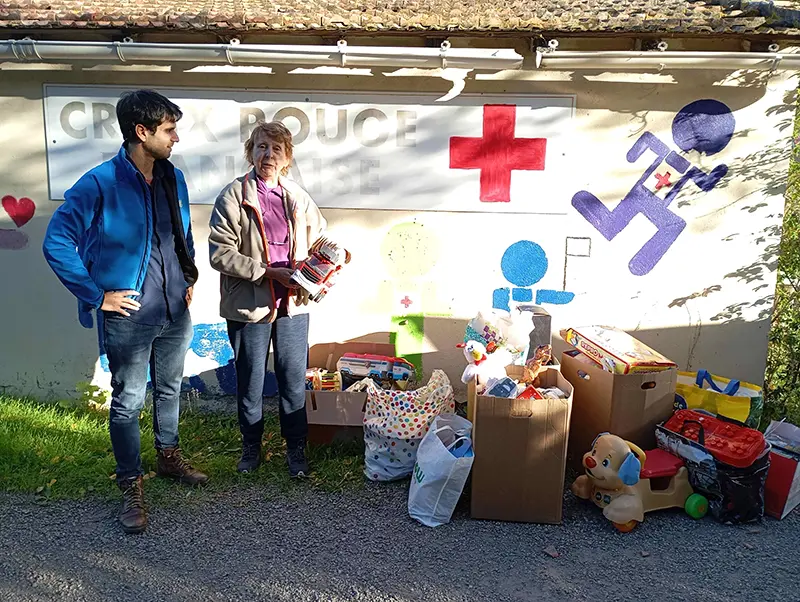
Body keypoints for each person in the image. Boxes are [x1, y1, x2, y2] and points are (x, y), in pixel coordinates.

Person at [42, 89, 208, 535]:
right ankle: (131, 483)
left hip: (174, 309)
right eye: (168, 130)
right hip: (129, 316)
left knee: (170, 388)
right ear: (142, 131)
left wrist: (188, 278)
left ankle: (169, 458)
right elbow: (57, 241)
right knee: (128, 401)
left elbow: (182, 232)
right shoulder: (99, 183)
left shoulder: (173, 177)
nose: (175, 138)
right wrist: (98, 296)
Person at [208, 120, 326, 477]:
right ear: (251, 152)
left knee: (292, 379)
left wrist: (333, 253)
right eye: (261, 147)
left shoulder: (297, 197)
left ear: (287, 158)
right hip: (249, 305)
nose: (268, 155)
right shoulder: (233, 196)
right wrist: (268, 272)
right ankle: (251, 447)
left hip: (293, 304)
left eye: (276, 149)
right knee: (251, 380)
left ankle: (296, 451)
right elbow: (220, 254)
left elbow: (318, 237)